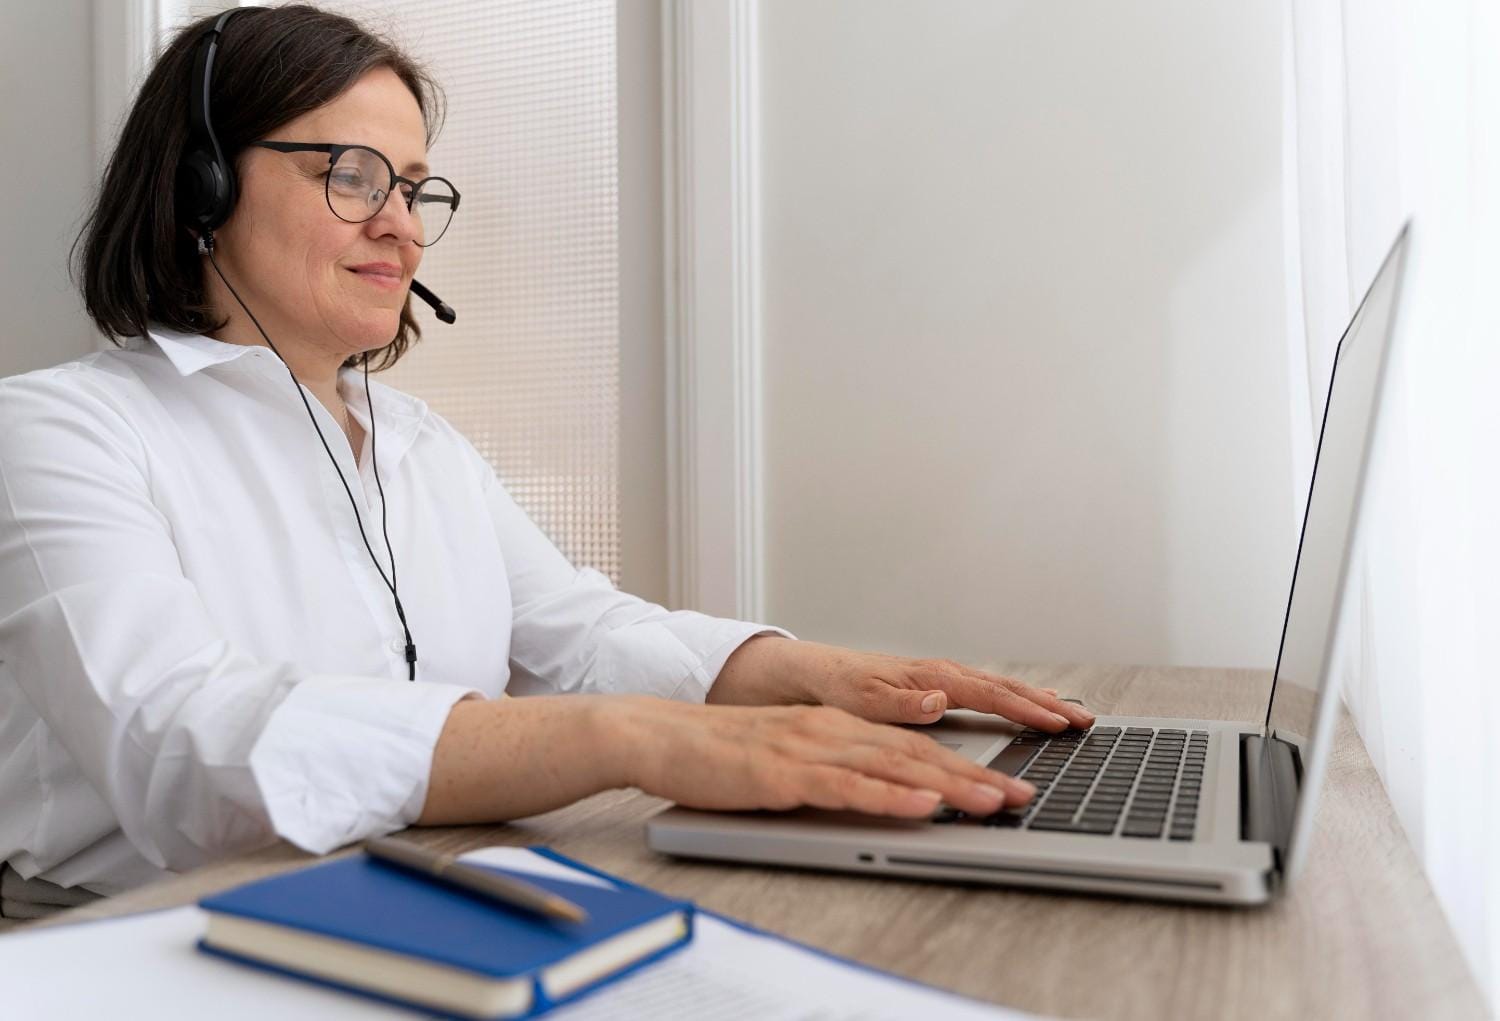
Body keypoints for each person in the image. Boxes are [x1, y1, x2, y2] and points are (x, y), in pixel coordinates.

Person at [0, 4, 1092, 918]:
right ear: (203, 190)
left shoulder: (421, 447)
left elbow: (582, 634)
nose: (403, 226)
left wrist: (819, 673)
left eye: (416, 187)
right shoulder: (59, 433)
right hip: (136, 933)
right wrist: (629, 740)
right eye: (352, 174)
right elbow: (186, 744)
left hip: (407, 891)